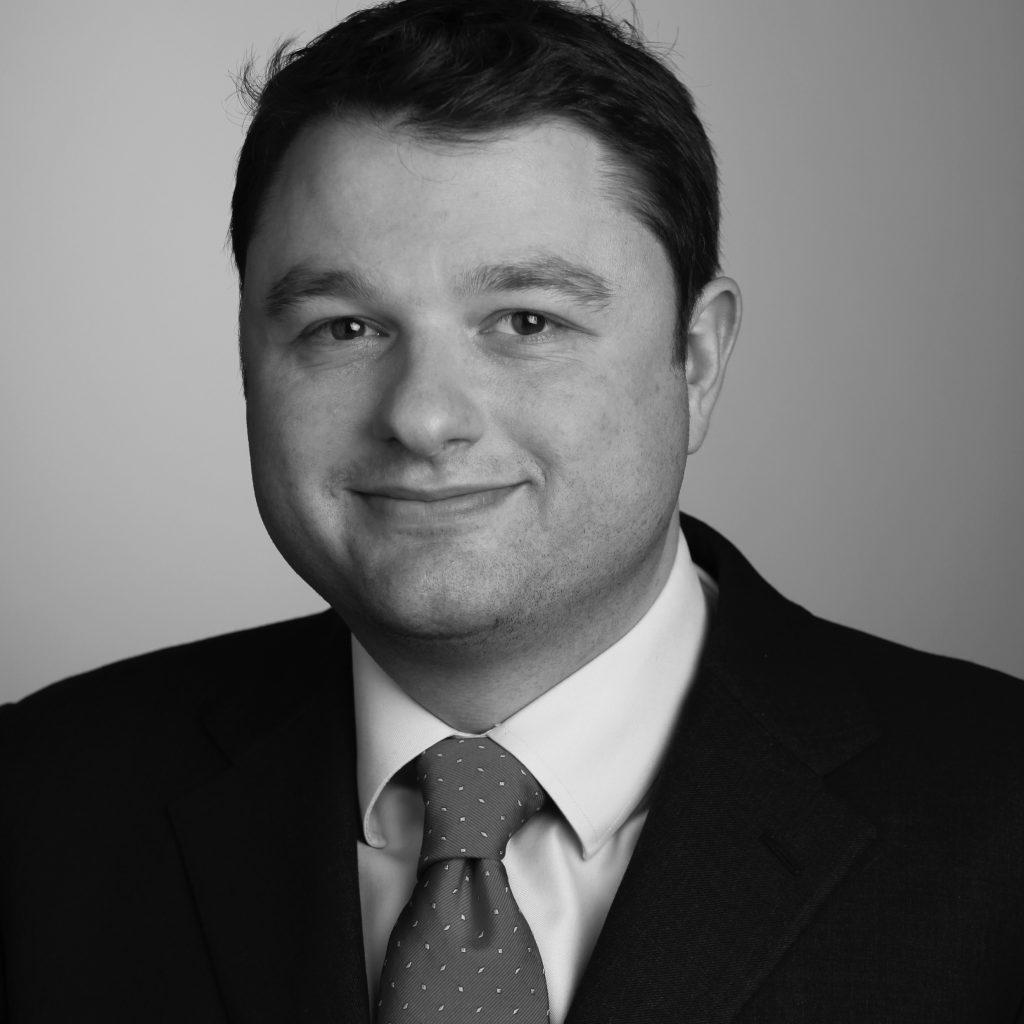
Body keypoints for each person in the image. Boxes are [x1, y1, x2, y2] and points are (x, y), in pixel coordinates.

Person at [1, 0, 1022, 1019]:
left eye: (527, 321)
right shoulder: (37, 804)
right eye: (344, 327)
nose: (423, 417)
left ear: (697, 358)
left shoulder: (996, 810)